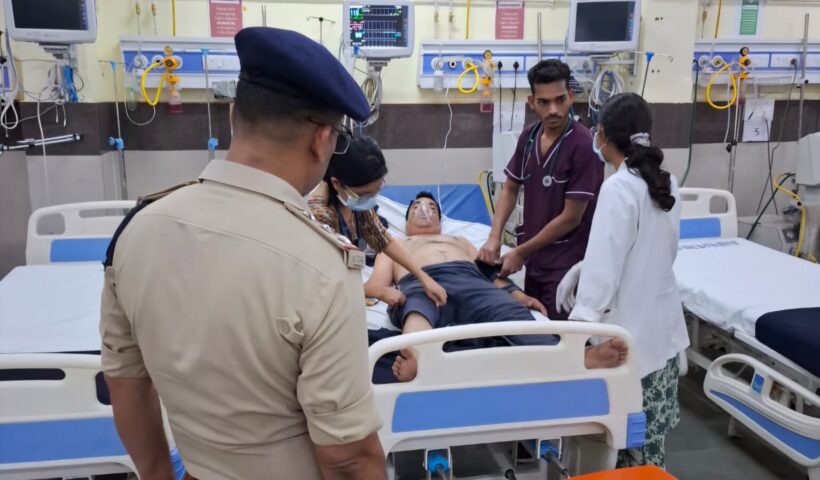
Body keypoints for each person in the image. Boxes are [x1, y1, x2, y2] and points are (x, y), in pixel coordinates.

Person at [100, 27, 386, 480]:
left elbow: (126, 386)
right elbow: (349, 458)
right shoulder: (323, 270)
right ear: (322, 140)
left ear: (234, 115)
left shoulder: (135, 232)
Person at [365, 192, 629, 382]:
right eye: (417, 207)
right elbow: (374, 286)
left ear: (440, 220)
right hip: (420, 283)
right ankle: (417, 358)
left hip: (471, 281)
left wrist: (517, 294)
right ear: (406, 220)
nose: (425, 210)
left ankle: (577, 358)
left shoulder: (459, 240)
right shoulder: (394, 246)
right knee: (416, 310)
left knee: (507, 310)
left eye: (432, 207)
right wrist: (392, 294)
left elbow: (487, 271)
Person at [558, 93, 689, 469]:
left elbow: (604, 272)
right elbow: (655, 253)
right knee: (650, 451)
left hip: (626, 347)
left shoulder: (617, 187)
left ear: (602, 134)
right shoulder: (666, 181)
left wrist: (577, 337)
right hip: (660, 339)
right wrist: (584, 266)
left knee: (624, 449)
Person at [477, 59, 604, 320]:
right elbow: (510, 188)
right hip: (535, 261)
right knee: (535, 327)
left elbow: (571, 218)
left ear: (570, 97)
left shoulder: (583, 146)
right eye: (544, 102)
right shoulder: (528, 137)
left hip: (567, 265)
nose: (553, 110)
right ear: (532, 102)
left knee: (560, 336)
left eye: (560, 100)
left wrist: (520, 251)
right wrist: (494, 237)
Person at [308, 136, 447, 306]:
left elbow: (382, 239)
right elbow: (322, 283)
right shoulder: (320, 215)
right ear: (336, 183)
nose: (371, 200)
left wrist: (424, 277)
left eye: (376, 191)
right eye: (365, 194)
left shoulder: (357, 201)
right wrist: (376, 291)